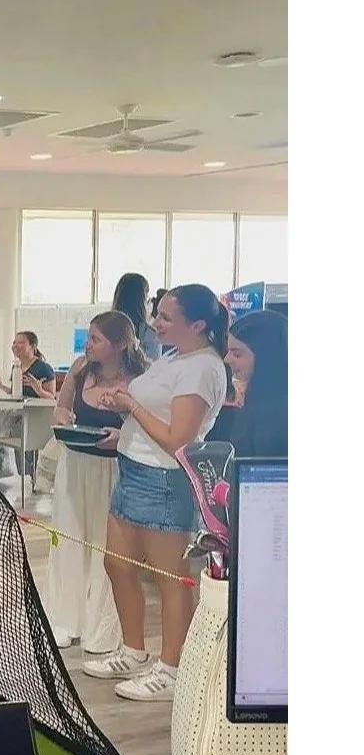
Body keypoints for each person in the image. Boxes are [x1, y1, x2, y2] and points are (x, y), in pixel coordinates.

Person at [83, 285, 229, 702]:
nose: (156, 322)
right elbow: (153, 415)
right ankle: (133, 650)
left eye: (166, 317)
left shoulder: (202, 368)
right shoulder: (172, 357)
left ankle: (172, 668)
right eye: (156, 312)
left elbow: (179, 439)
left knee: (171, 581)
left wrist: (131, 407)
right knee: (118, 565)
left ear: (198, 325)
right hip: (133, 468)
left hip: (166, 479)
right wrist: (124, 426)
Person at [44, 311, 148, 653]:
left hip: (112, 470)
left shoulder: (139, 380)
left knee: (107, 547)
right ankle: (64, 618)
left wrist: (122, 435)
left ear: (118, 345)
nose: (88, 345)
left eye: (96, 339)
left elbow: (147, 425)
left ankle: (100, 625)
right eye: (88, 337)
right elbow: (61, 407)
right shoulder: (80, 370)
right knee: (70, 539)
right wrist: (63, 417)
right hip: (75, 465)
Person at [0, 331, 55, 479]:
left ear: (33, 346)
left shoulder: (43, 368)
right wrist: (1, 385)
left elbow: (52, 398)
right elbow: (16, 393)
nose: (15, 346)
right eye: (14, 343)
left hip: (35, 417)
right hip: (18, 412)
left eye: (21, 342)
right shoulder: (17, 367)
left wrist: (39, 390)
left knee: (2, 426)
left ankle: (11, 470)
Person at [224, 309, 288, 457]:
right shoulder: (261, 400)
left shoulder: (278, 413)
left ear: (266, 356)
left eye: (237, 354)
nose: (227, 359)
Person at [111, 272, 163, 361]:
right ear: (141, 301)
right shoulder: (149, 334)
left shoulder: (105, 326)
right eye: (147, 298)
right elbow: (153, 368)